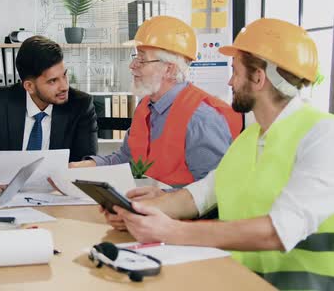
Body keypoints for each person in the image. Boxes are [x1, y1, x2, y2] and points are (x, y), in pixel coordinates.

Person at [106, 18, 334, 290]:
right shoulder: (251, 137)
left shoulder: (323, 135)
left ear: (258, 78)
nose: (230, 81)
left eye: (235, 72)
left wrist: (174, 231)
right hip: (237, 280)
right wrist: (134, 212)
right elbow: (198, 196)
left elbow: (277, 231)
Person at [71, 16, 242, 190]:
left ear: (169, 69)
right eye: (135, 57)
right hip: (149, 210)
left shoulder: (200, 118)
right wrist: (84, 168)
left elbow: (214, 192)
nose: (132, 65)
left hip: (179, 216)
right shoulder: (145, 107)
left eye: (142, 59)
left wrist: (164, 200)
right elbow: (127, 160)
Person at [0, 35, 98, 186]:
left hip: (56, 196)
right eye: (53, 81)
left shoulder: (80, 105)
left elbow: (86, 164)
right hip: (2, 197)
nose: (64, 86)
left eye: (64, 75)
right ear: (29, 86)